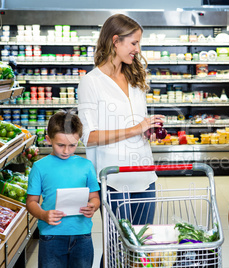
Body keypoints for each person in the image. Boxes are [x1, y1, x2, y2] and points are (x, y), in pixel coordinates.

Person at [77, 14, 164, 224]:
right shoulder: (91, 82)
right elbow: (88, 137)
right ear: (115, 41)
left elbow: (135, 123)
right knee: (116, 250)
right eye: (134, 43)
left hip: (144, 175)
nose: (138, 49)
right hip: (113, 179)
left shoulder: (136, 78)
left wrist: (147, 129)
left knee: (141, 246)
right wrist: (135, 128)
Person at [26, 110, 100, 268]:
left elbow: (95, 197)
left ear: (78, 141)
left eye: (72, 145)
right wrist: (43, 214)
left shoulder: (86, 166)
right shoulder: (39, 167)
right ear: (48, 140)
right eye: (61, 145)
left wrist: (93, 206)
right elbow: (31, 202)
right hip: (51, 236)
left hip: (82, 235)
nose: (66, 151)